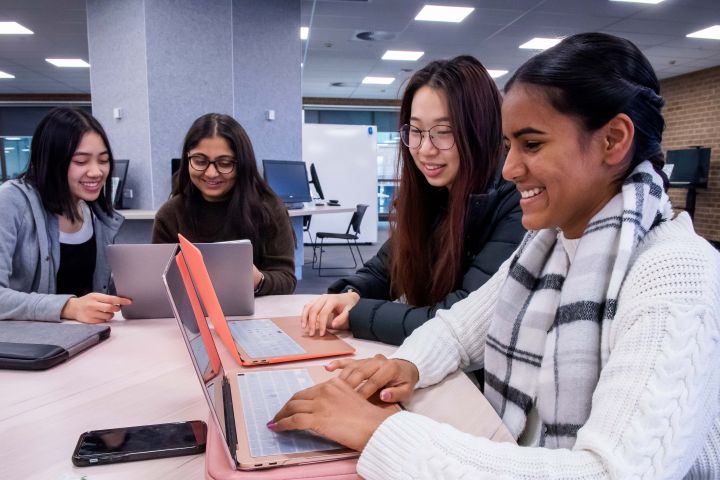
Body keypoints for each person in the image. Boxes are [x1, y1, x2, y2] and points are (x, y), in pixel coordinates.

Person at [270, 33, 720, 478]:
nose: (508, 169)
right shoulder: (548, 244)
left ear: (613, 139)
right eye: (509, 146)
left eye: (533, 144)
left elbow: (612, 473)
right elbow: (459, 328)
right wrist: (405, 365)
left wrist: (381, 432)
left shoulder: (675, 274)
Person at [302, 56, 524, 345]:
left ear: (481, 130)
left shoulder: (516, 203)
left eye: (444, 132)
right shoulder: (435, 194)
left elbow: (457, 319)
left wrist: (357, 313)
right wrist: (351, 293)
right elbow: (388, 268)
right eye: (416, 131)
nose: (425, 149)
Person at [0, 107, 131, 323]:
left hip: (85, 341)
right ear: (52, 161)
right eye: (81, 161)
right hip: (27, 347)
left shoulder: (95, 215)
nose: (97, 171)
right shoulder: (11, 201)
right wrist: (68, 307)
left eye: (104, 160)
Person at [152, 113, 296, 295]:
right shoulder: (170, 214)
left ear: (243, 164)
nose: (211, 173)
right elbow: (159, 281)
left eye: (225, 163)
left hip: (256, 314)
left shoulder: (268, 208)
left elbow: (287, 279)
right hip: (191, 314)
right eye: (199, 161)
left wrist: (258, 280)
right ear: (187, 159)